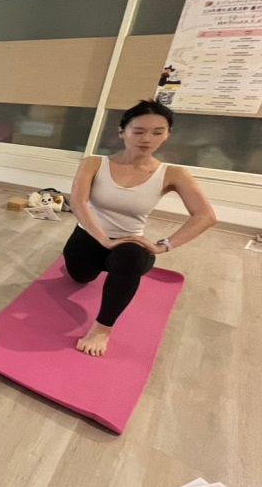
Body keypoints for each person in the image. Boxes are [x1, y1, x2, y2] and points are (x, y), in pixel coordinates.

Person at [65, 100, 216, 357]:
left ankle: (102, 329)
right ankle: (104, 265)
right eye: (138, 131)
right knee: (80, 277)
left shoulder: (173, 174)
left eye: (157, 132)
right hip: (89, 238)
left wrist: (163, 246)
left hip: (129, 244)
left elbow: (205, 216)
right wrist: (104, 240)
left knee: (132, 256)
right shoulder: (94, 163)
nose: (147, 139)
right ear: (122, 132)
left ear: (167, 135)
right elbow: (78, 204)